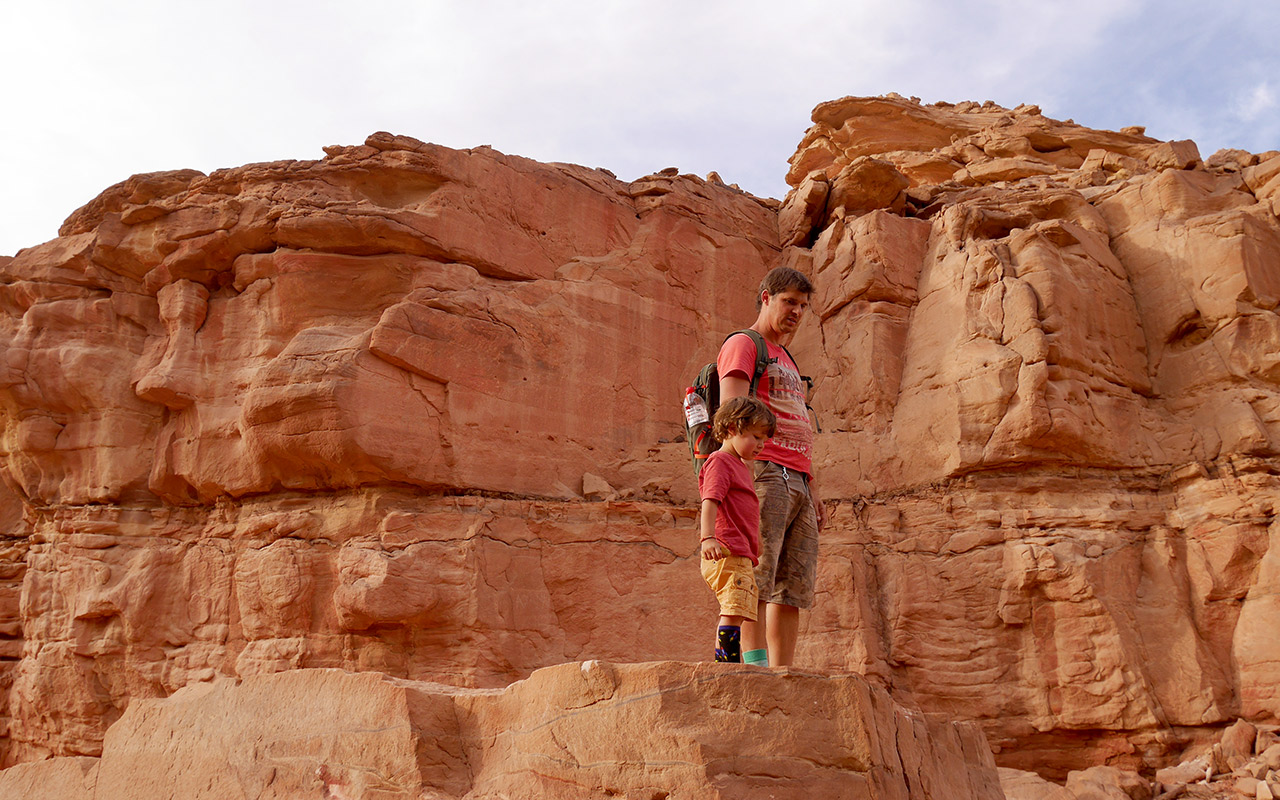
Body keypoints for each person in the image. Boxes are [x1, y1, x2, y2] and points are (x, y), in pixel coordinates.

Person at [717, 266, 824, 668]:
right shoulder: (745, 344)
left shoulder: (788, 359)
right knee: (755, 578)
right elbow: (731, 414)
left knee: (791, 588)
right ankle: (754, 668)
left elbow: (799, 423)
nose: (796, 312)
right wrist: (739, 476)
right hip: (763, 473)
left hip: (798, 479)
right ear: (766, 298)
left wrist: (813, 487)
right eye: (788, 302)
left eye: (803, 306)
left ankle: (783, 674)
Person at [698, 395, 777, 663]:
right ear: (732, 428)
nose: (761, 445)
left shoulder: (739, 466)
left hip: (738, 552)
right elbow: (710, 500)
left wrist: (755, 542)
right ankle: (726, 667)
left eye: (764, 439)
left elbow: (743, 511)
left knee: (739, 608)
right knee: (733, 609)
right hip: (725, 552)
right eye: (756, 437)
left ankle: (728, 664)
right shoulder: (721, 462)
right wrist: (708, 537)